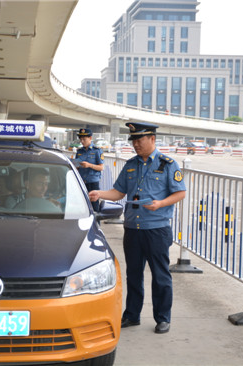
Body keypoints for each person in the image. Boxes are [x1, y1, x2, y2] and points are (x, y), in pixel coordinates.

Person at [88, 122, 186, 334]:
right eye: (133, 141)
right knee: (133, 274)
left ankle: (162, 318)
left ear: (152, 139)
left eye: (139, 140)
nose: (136, 145)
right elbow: (119, 192)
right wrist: (100, 194)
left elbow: (180, 193)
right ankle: (132, 315)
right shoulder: (131, 164)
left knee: (160, 275)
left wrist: (160, 204)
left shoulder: (168, 164)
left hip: (156, 229)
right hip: (132, 228)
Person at [75, 128, 104, 211]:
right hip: (81, 182)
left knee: (94, 207)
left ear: (90, 138)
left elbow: (101, 167)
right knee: (82, 206)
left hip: (92, 183)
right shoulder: (79, 151)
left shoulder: (97, 151)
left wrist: (89, 165)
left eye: (84, 139)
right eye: (81, 139)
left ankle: (96, 223)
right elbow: (77, 167)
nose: (82, 141)